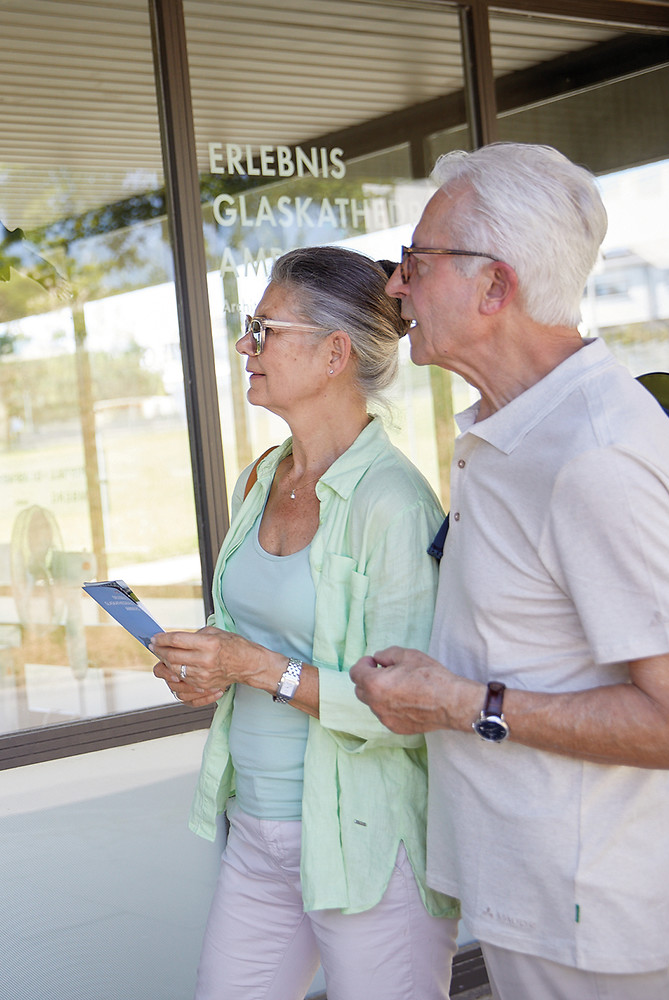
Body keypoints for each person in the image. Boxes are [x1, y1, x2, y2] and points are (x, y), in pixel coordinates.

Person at [350, 142, 669, 1000]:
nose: (395, 285)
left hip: (582, 911)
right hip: (526, 889)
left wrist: (459, 705)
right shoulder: (514, 428)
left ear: (495, 288)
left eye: (416, 262)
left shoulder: (592, 453)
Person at [154, 246, 458, 1000]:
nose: (242, 346)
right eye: (246, 327)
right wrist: (203, 668)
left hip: (366, 841)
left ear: (333, 353)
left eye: (263, 329)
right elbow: (241, 630)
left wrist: (251, 666)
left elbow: (412, 708)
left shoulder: (395, 504)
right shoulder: (262, 476)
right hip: (257, 831)